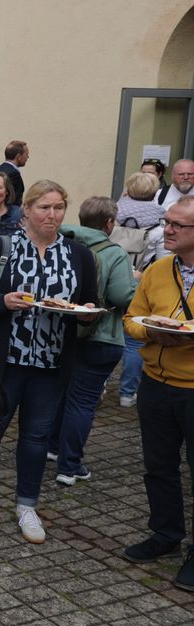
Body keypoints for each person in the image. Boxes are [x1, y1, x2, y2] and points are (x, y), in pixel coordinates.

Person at [0, 180, 98, 545]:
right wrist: (2, 302)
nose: (52, 215)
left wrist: (85, 315)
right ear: (27, 210)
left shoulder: (78, 255)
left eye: (58, 208)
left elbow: (88, 303)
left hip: (51, 363)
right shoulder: (1, 247)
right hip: (4, 362)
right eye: (44, 208)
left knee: (36, 438)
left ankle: (26, 506)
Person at [121, 196, 194, 591]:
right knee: (159, 466)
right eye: (167, 222)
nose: (166, 229)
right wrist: (150, 330)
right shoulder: (159, 269)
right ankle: (166, 534)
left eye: (177, 226)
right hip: (156, 383)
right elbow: (132, 317)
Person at [47, 197, 136, 485]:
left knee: (62, 393)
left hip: (64, 331)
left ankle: (52, 446)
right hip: (101, 335)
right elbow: (123, 296)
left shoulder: (63, 242)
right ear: (109, 223)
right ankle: (69, 466)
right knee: (83, 402)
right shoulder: (114, 253)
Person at [115, 171, 165, 408]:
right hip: (142, 281)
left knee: (107, 334)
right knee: (134, 342)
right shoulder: (160, 221)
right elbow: (165, 258)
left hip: (114, 279)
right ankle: (127, 393)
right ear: (155, 192)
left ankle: (100, 386)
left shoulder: (115, 213)